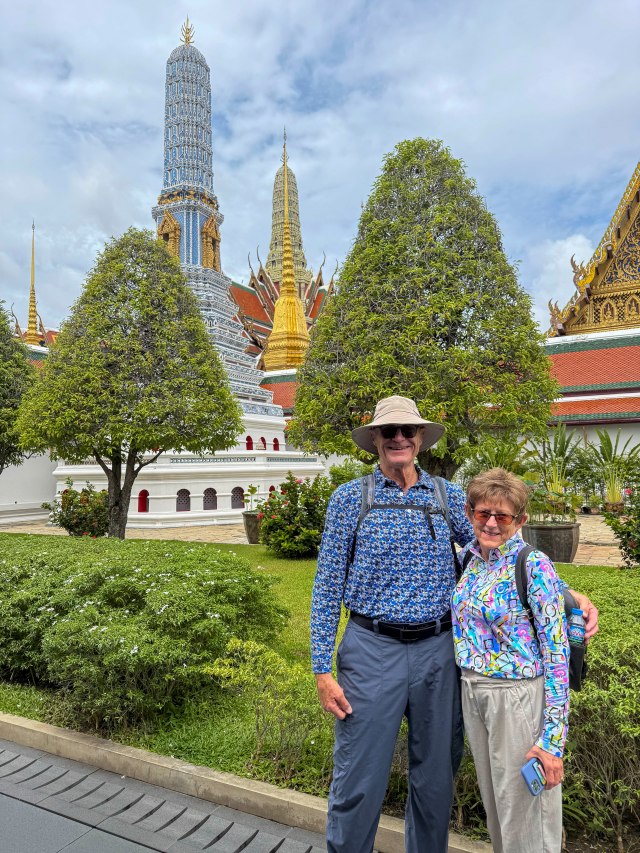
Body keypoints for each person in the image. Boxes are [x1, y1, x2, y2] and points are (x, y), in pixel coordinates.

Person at [311, 395, 598, 853]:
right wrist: (322, 670)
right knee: (357, 779)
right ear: (376, 439)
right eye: (389, 432)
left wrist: (565, 594)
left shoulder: (446, 497)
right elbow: (327, 586)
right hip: (371, 649)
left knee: (435, 780)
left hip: (439, 652)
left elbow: (499, 548)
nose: (399, 438)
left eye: (408, 430)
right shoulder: (349, 499)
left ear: (421, 438)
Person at [451, 468, 568, 853]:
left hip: (516, 698)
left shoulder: (533, 564)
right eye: (483, 512)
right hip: (473, 693)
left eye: (502, 516)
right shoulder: (470, 561)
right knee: (498, 810)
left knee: (526, 818)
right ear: (470, 513)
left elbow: (557, 655)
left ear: (520, 520)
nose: (491, 523)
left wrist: (552, 741)